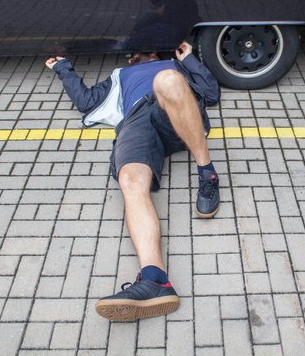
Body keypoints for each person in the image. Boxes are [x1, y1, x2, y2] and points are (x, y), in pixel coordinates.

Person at [45, 41, 220, 321]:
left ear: (155, 52)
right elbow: (86, 101)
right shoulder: (119, 75)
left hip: (173, 110)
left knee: (166, 80)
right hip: (135, 121)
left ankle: (207, 173)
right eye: (131, 55)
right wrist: (63, 67)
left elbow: (211, 93)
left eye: (141, 51)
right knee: (128, 179)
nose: (134, 56)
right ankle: (155, 281)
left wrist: (189, 60)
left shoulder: (173, 66)